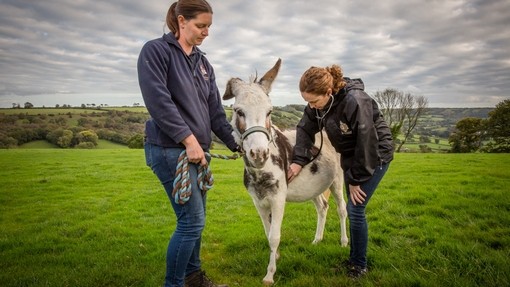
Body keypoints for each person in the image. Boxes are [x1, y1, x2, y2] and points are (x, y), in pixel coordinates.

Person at [137, 1, 239, 286]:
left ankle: (194, 279)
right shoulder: (156, 51)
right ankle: (175, 284)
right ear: (181, 21)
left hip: (197, 152)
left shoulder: (204, 63)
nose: (206, 32)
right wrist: (189, 140)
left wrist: (236, 145)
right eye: (201, 26)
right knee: (191, 222)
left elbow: (215, 113)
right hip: (169, 149)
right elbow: (159, 101)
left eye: (209, 27)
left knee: (197, 222)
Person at [287, 65, 394, 279]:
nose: (311, 106)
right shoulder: (318, 106)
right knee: (354, 207)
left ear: (328, 92)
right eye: (307, 101)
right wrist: (298, 161)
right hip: (351, 155)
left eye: (314, 101)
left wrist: (356, 179)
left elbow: (366, 142)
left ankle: (359, 266)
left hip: (375, 154)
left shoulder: (355, 101)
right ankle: (354, 259)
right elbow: (304, 130)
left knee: (355, 208)